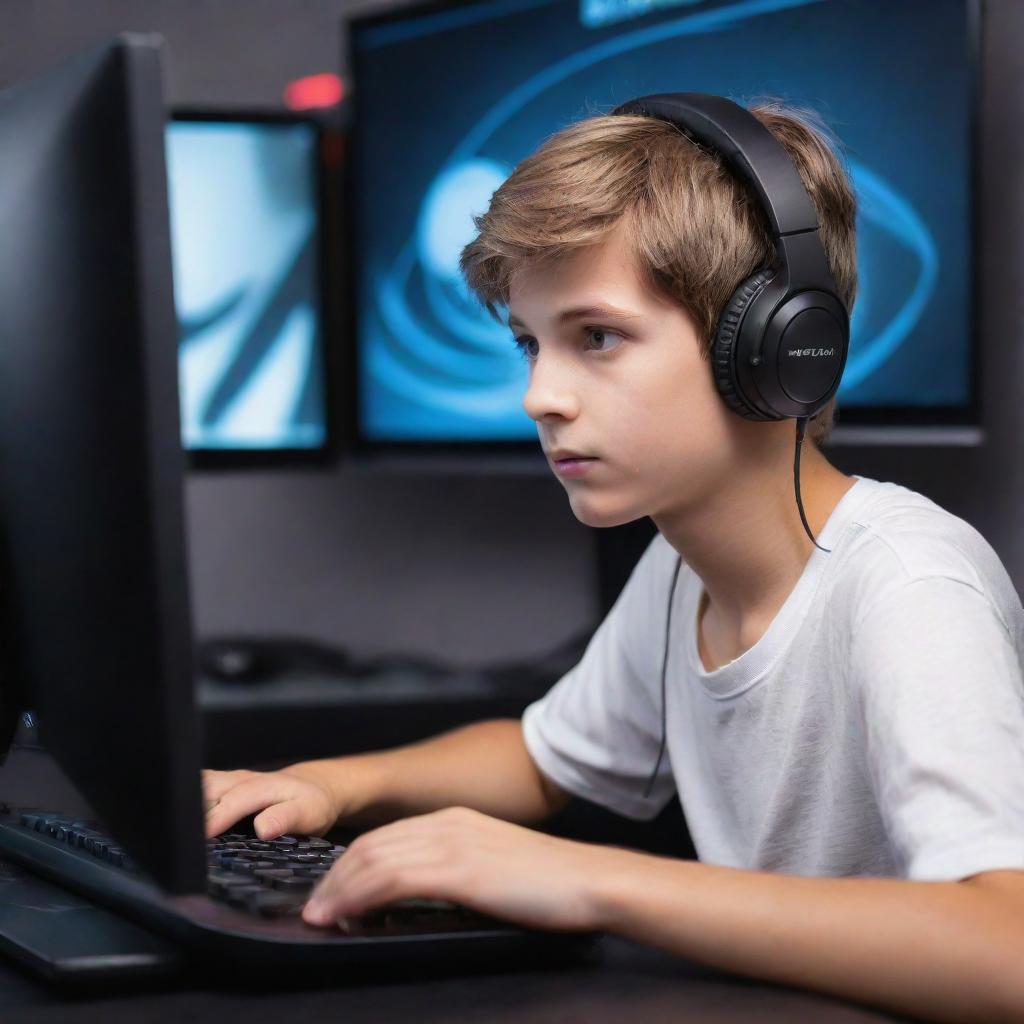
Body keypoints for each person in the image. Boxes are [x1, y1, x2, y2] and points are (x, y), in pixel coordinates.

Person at [202, 98, 1024, 1022]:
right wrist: (330, 785)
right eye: (530, 343)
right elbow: (546, 757)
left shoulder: (909, 588)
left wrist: (590, 880)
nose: (539, 397)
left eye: (597, 337)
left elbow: (1006, 948)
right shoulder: (682, 568)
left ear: (776, 349)